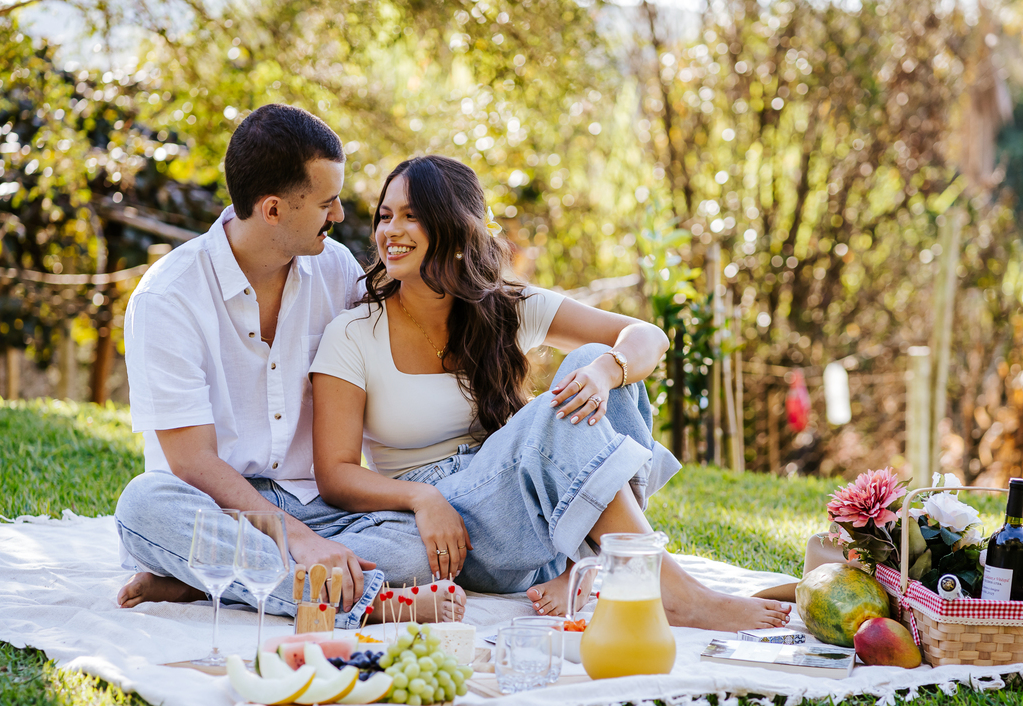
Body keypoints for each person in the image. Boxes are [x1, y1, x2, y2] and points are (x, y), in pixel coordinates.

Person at [310, 154, 792, 630]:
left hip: (516, 511)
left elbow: (648, 337)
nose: (390, 230)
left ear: (457, 227)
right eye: (385, 215)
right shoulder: (355, 333)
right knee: (356, 559)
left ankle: (632, 577)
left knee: (588, 365)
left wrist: (608, 370)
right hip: (438, 527)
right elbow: (334, 473)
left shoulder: (502, 308)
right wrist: (422, 498)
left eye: (411, 215)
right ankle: (629, 572)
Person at [113, 105, 463, 625]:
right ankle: (369, 605)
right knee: (143, 506)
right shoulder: (168, 296)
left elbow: (411, 331)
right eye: (327, 202)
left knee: (418, 548)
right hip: (216, 507)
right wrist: (295, 540)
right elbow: (190, 462)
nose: (341, 215)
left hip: (322, 508)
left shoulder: (338, 270)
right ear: (273, 210)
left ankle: (209, 581)